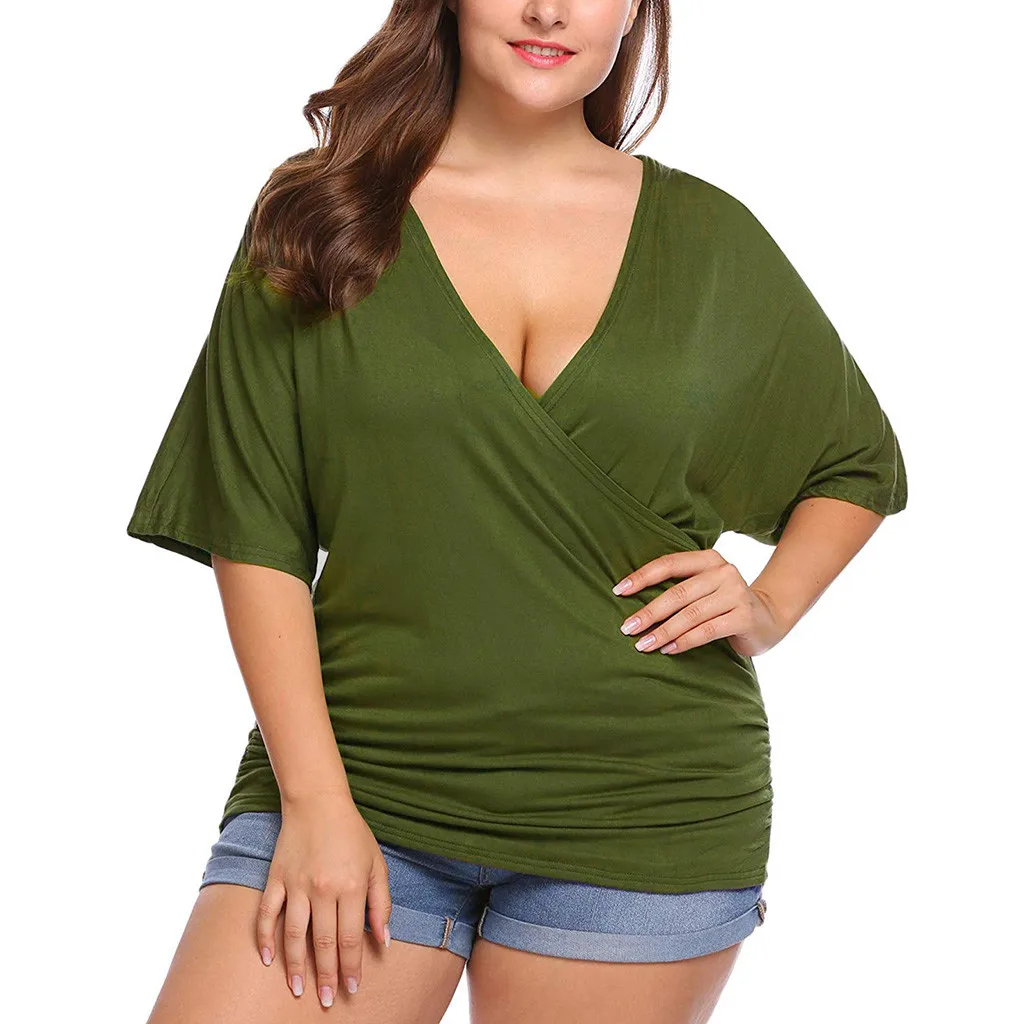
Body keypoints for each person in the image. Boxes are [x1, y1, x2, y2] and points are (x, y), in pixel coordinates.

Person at [127, 1, 908, 1021]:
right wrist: (314, 804)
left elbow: (854, 460)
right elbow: (256, 529)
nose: (549, 8)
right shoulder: (321, 212)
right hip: (359, 782)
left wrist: (770, 604)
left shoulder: (710, 237)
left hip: (642, 810)